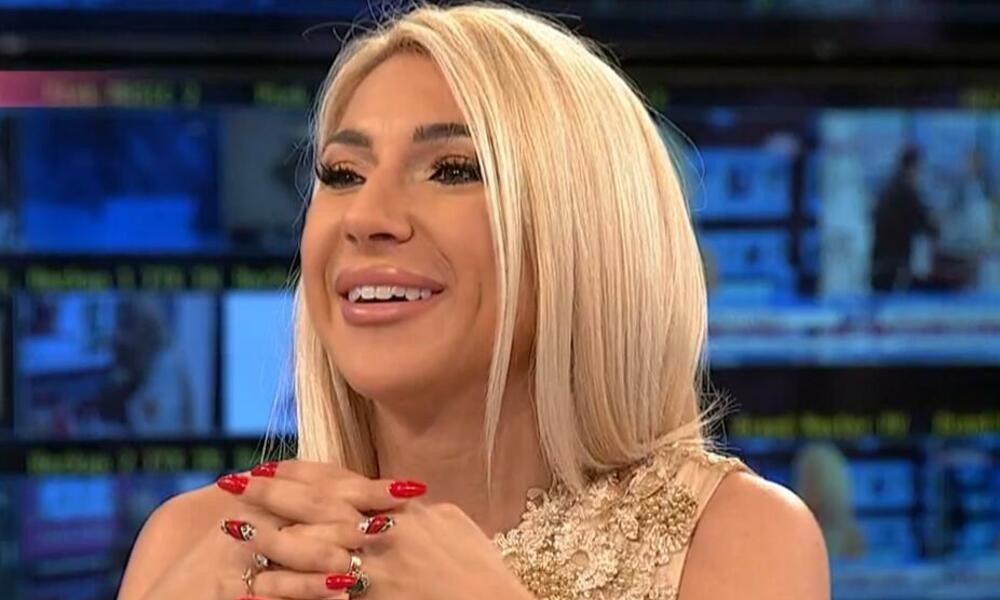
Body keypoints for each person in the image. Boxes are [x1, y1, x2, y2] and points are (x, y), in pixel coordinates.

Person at [117, 4, 829, 600]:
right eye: (342, 174)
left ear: (585, 230)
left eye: (452, 169)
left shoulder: (736, 538)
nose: (366, 216)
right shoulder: (195, 544)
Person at [870, 146, 937, 291]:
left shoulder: (888, 186)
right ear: (913, 167)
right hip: (894, 262)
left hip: (880, 258)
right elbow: (924, 222)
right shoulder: (906, 191)